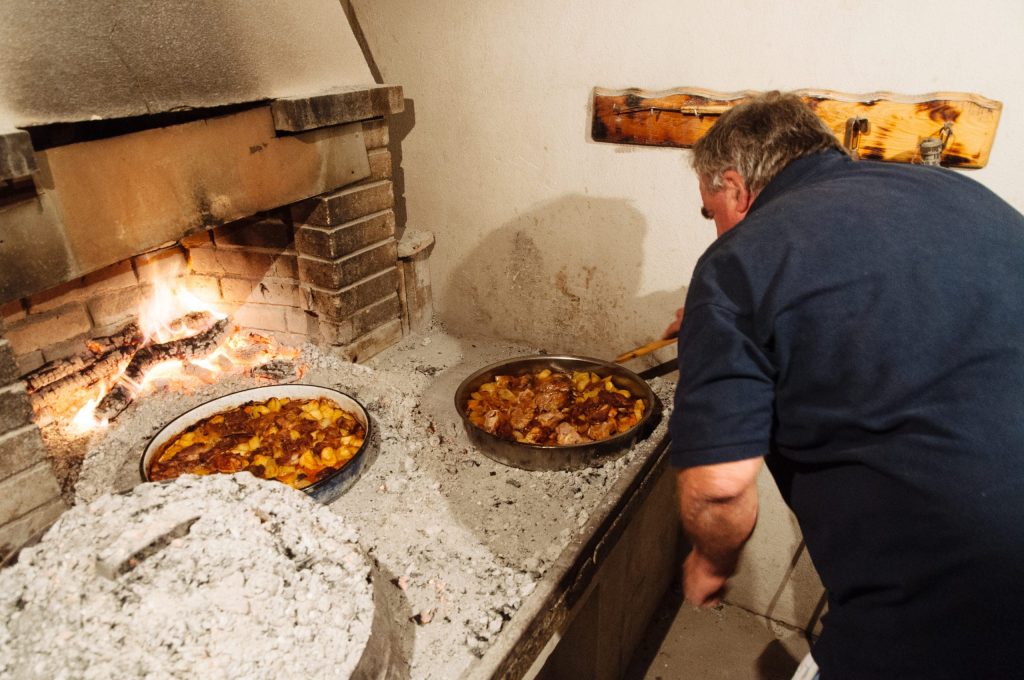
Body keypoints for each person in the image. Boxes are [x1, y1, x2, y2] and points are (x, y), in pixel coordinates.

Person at [668, 91, 1024, 679]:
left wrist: (709, 561)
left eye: (712, 213)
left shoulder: (739, 260)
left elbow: (721, 489)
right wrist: (723, 327)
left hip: (954, 593)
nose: (717, 233)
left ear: (733, 185)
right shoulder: (959, 193)